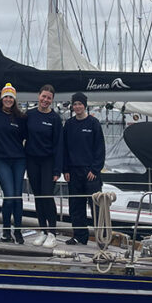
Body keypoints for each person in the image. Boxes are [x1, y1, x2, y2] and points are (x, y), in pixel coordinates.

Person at [62, 92, 105, 245]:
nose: (77, 107)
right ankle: (79, 236)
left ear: (85, 105)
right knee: (76, 206)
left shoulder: (94, 123)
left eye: (80, 104)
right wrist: (65, 169)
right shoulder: (69, 124)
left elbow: (100, 148)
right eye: (75, 104)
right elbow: (64, 149)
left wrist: (95, 169)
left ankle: (102, 238)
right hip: (73, 171)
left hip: (90, 172)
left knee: (96, 207)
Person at [0, 83, 27, 243]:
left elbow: (26, 137)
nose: (8, 99)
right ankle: (6, 232)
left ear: (14, 99)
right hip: (2, 160)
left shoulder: (20, 118)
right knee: (9, 196)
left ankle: (18, 231)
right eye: (6, 97)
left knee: (17, 196)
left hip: (19, 160)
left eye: (11, 97)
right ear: (1, 99)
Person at [25, 84, 62, 248]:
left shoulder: (55, 119)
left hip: (48, 162)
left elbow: (59, 145)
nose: (45, 100)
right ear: (38, 96)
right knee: (38, 197)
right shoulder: (29, 115)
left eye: (49, 98)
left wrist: (57, 169)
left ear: (52, 100)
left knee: (47, 196)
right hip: (32, 161)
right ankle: (43, 231)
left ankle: (52, 233)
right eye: (43, 96)